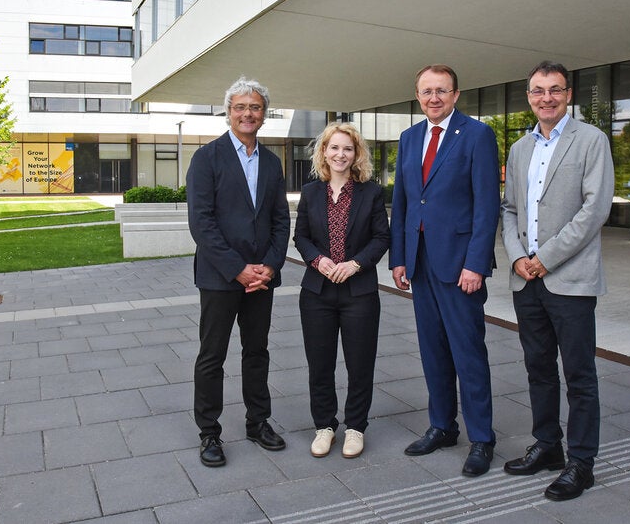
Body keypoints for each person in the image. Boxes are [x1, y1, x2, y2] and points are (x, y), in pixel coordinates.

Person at [500, 60, 614, 500]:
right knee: (538, 368)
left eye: (554, 89)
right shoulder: (519, 148)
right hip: (526, 280)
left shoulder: (592, 140)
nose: (545, 97)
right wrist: (516, 259)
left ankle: (581, 463)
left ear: (568, 94)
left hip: (569, 280)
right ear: (529, 96)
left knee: (579, 374)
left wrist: (543, 258)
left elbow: (595, 209)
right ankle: (548, 446)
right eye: (537, 90)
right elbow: (509, 209)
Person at [389, 64, 500, 477]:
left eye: (441, 90)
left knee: (468, 353)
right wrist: (399, 257)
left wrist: (476, 263)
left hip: (460, 267)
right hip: (419, 263)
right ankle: (442, 426)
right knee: (433, 350)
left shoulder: (476, 135)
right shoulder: (409, 138)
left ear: (455, 94)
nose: (433, 98)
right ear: (417, 96)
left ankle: (482, 438)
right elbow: (402, 203)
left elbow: (487, 206)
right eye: (425, 91)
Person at [186, 76, 291, 468]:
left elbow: (281, 220)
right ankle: (209, 433)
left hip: (261, 278)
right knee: (212, 356)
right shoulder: (206, 158)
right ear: (228, 112)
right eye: (241, 107)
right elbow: (202, 223)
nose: (248, 113)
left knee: (257, 352)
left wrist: (270, 266)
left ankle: (257, 422)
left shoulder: (272, 161)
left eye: (256, 107)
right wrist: (238, 269)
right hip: (219, 277)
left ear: (264, 115)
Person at [294, 122, 390, 459]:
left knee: (359, 363)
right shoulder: (310, 192)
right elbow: (300, 237)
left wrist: (355, 264)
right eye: (334, 148)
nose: (340, 154)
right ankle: (324, 426)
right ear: (323, 152)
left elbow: (382, 238)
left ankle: (355, 428)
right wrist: (318, 260)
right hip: (317, 292)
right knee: (320, 364)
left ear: (356, 154)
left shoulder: (371, 192)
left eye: (347, 149)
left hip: (359, 291)